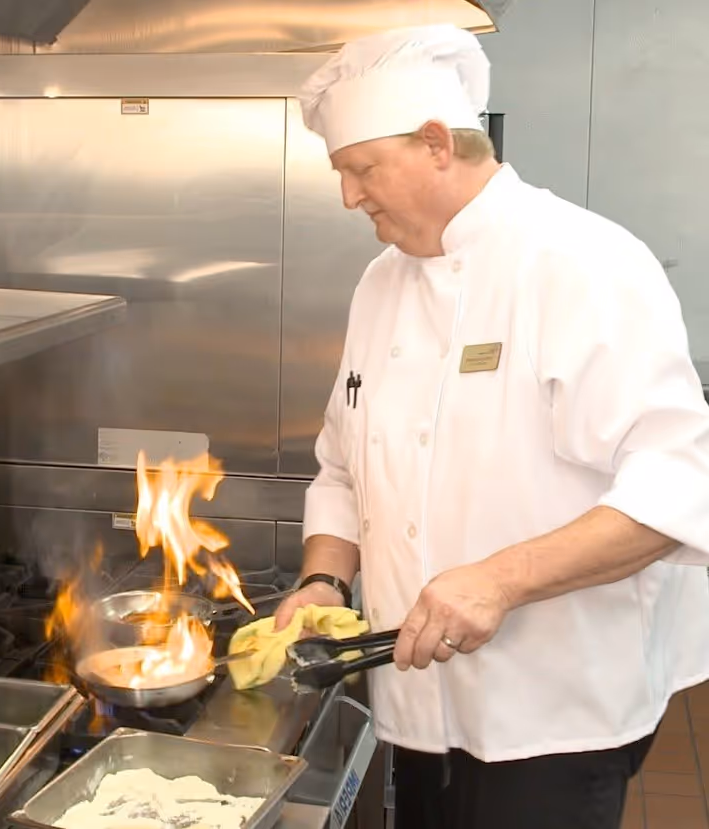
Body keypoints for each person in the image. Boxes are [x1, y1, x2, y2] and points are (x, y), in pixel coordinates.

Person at [273, 24, 709, 829]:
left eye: (363, 169)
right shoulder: (380, 283)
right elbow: (340, 464)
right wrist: (324, 580)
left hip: (551, 709)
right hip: (416, 693)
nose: (349, 197)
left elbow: (675, 489)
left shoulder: (583, 262)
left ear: (438, 143)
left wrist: (498, 578)